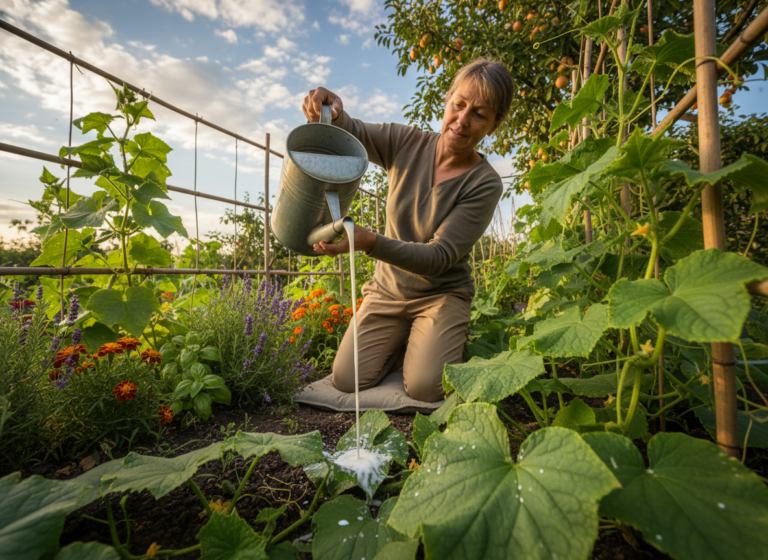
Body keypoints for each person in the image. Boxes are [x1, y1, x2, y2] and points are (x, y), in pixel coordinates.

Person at [302, 59, 514, 403]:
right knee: (345, 379)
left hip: (440, 295)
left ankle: (428, 341)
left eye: (479, 114)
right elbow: (353, 131)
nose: (462, 120)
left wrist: (370, 242)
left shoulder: (483, 183)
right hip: (387, 291)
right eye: (458, 105)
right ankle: (406, 344)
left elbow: (440, 256)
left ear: (494, 124)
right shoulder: (405, 142)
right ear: (447, 100)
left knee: (426, 387)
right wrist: (332, 110)